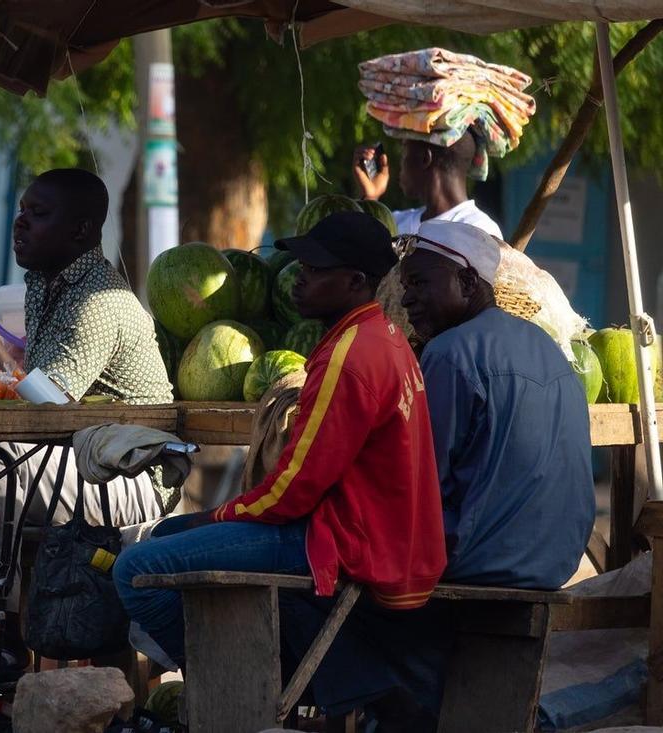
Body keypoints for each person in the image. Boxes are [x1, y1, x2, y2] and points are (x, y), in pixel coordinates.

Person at [114, 211, 447, 729]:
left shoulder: (349, 356)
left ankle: (249, 682)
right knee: (171, 533)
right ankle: (321, 678)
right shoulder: (382, 338)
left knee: (134, 571)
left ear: (355, 281)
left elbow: (293, 490)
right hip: (364, 531)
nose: (299, 279)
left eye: (315, 270)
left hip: (343, 541)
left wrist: (219, 516)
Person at [0, 168, 173, 668]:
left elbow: (47, 410)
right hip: (60, 459)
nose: (20, 222)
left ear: (81, 232)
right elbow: (26, 390)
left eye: (38, 214)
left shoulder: (101, 300)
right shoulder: (44, 283)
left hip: (126, 474)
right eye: (21, 210)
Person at [399, 220, 595, 587]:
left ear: (469, 283)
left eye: (420, 282)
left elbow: (421, 486)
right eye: (405, 286)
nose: (407, 298)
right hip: (558, 563)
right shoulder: (547, 346)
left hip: (480, 561)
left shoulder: (449, 352)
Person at [353, 131, 502, 238]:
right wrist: (370, 197)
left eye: (405, 150)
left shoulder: (479, 231)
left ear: (425, 158)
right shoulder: (396, 223)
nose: (400, 162)